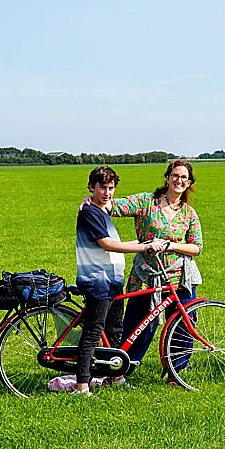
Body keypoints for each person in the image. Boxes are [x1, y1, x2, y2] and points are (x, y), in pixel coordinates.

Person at [82, 160, 203, 384]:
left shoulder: (189, 213)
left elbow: (197, 247)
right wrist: (90, 201)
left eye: (183, 178)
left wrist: (171, 245)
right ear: (167, 178)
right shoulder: (147, 202)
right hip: (147, 276)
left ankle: (175, 374)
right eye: (175, 175)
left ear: (189, 183)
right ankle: (120, 369)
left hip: (179, 277)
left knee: (184, 325)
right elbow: (112, 206)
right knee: (138, 325)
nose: (178, 180)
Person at [74, 166, 166, 396]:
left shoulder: (101, 211)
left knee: (115, 330)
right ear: (91, 188)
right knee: (93, 332)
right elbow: (107, 245)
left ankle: (116, 377)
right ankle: (81, 386)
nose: (107, 192)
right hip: (98, 281)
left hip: (112, 281)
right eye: (102, 187)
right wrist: (142, 246)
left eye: (111, 188)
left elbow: (113, 243)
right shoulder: (90, 213)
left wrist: (143, 241)